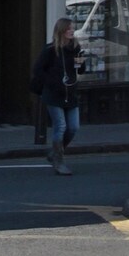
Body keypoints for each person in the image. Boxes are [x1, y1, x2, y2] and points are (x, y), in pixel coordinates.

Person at [31, 17, 81, 175]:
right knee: (60, 126)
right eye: (69, 29)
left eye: (72, 28)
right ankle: (59, 162)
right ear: (61, 31)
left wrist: (81, 63)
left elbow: (81, 70)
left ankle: (54, 153)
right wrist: (52, 83)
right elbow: (38, 70)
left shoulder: (75, 48)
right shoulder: (50, 50)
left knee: (73, 127)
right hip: (53, 95)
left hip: (70, 94)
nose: (72, 31)